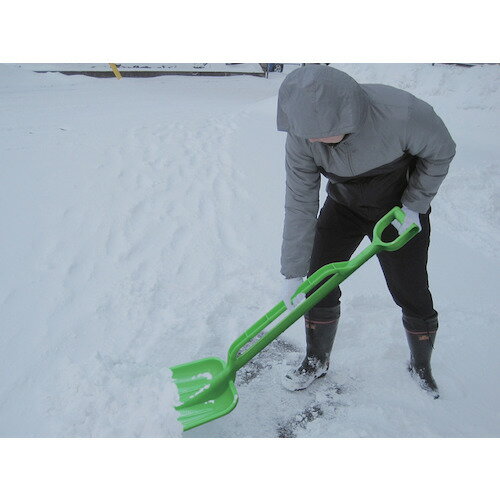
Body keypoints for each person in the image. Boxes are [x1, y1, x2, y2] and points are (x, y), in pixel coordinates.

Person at [277, 65, 456, 398]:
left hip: (397, 211)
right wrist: (293, 271)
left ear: (345, 117)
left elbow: (441, 151)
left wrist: (414, 205)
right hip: (344, 207)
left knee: (411, 291)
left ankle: (421, 365)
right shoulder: (302, 133)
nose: (311, 140)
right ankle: (316, 360)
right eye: (306, 132)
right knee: (319, 284)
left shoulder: (402, 114)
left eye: (319, 132)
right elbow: (300, 202)